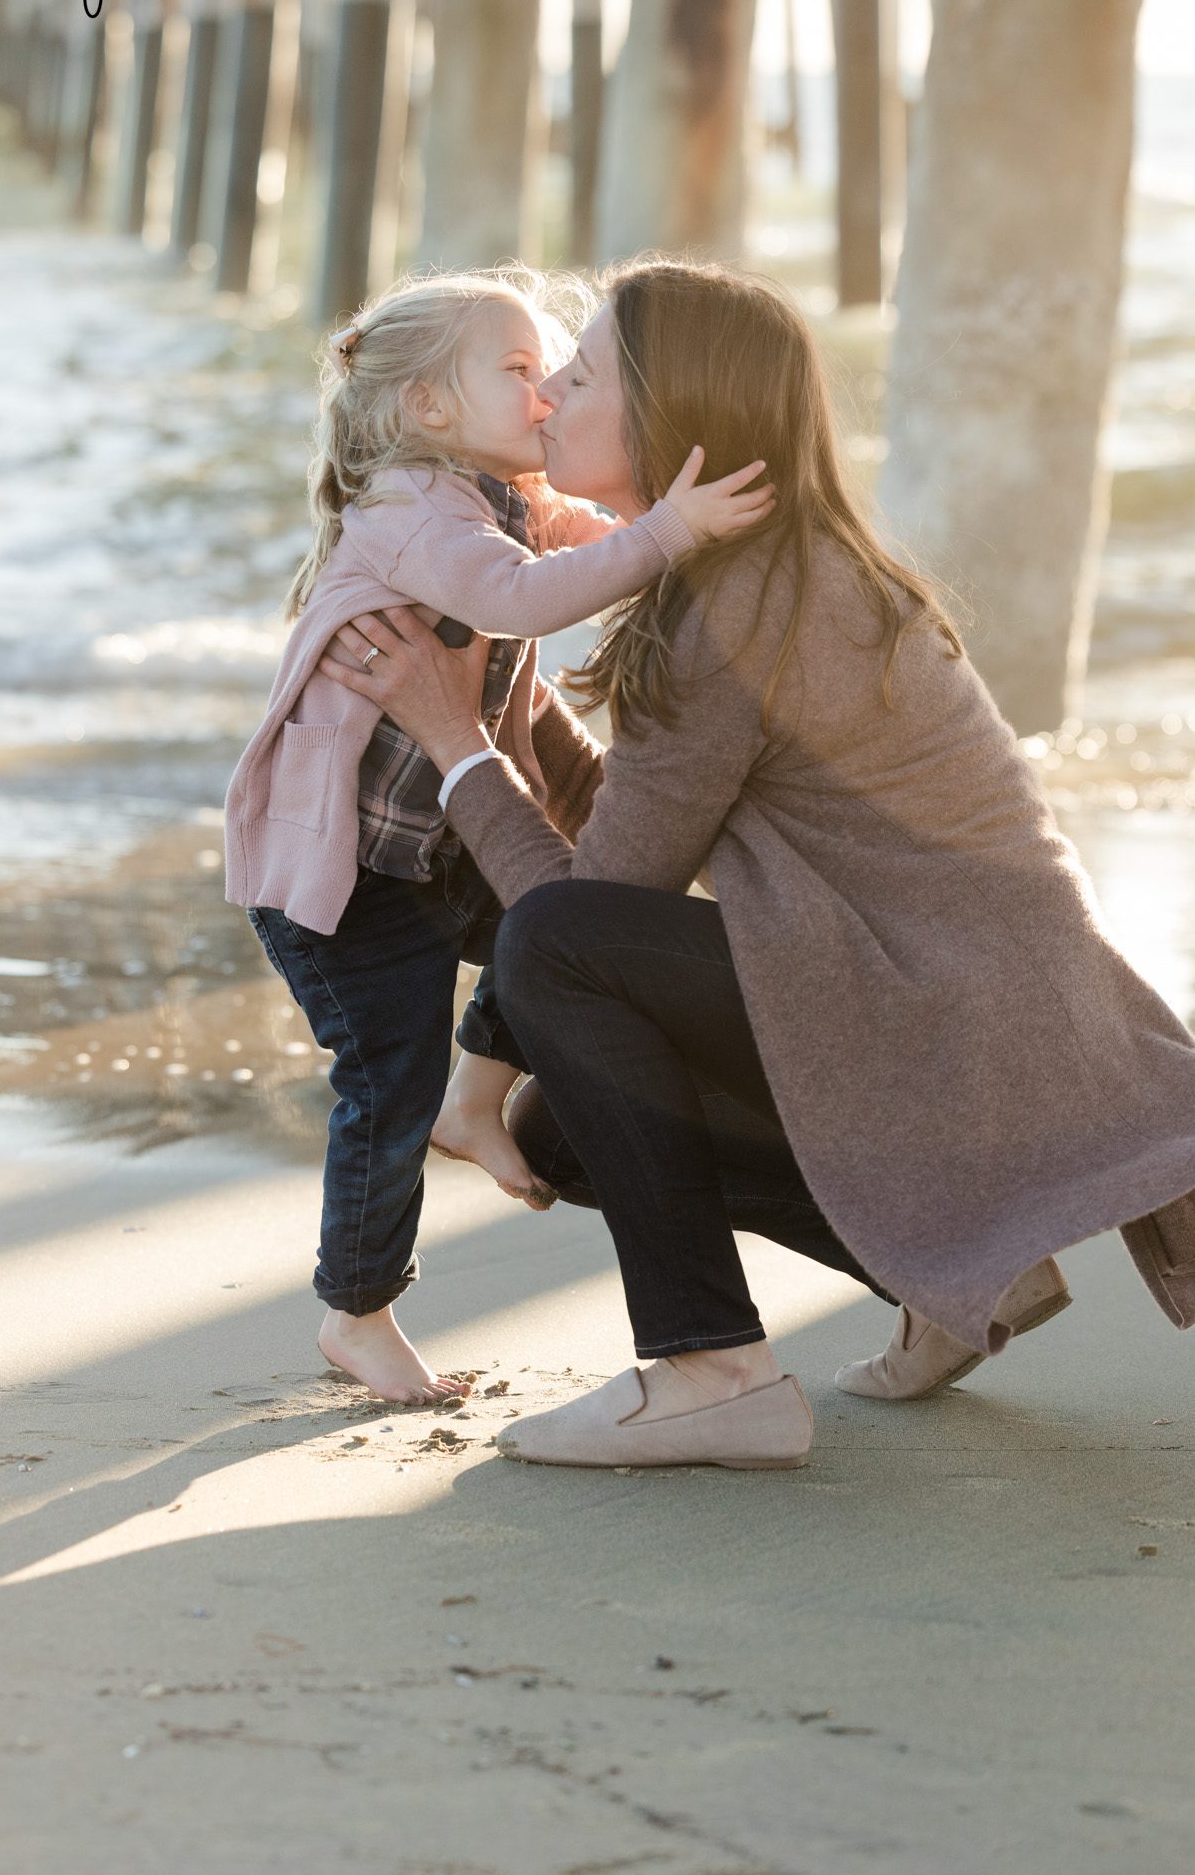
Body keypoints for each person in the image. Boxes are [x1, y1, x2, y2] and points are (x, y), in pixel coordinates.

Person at [321, 257, 1195, 1471]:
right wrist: (502, 722)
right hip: (946, 993)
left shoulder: (736, 607)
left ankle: (710, 1368)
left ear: (668, 414)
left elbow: (588, 911)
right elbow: (642, 820)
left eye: (578, 375)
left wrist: (457, 739)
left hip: (950, 1010)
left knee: (554, 949)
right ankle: (945, 1273)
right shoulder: (759, 570)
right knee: (565, 1124)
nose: (547, 401)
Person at [223, 266, 776, 1406]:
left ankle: (478, 1103)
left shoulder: (488, 499)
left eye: (556, 372)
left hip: (427, 855)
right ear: (429, 407)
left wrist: (667, 514)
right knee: (387, 1083)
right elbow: (532, 598)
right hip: (352, 888)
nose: (543, 396)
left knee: (559, 926)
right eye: (520, 371)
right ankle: (357, 1308)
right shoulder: (419, 512)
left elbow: (586, 535)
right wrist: (673, 528)